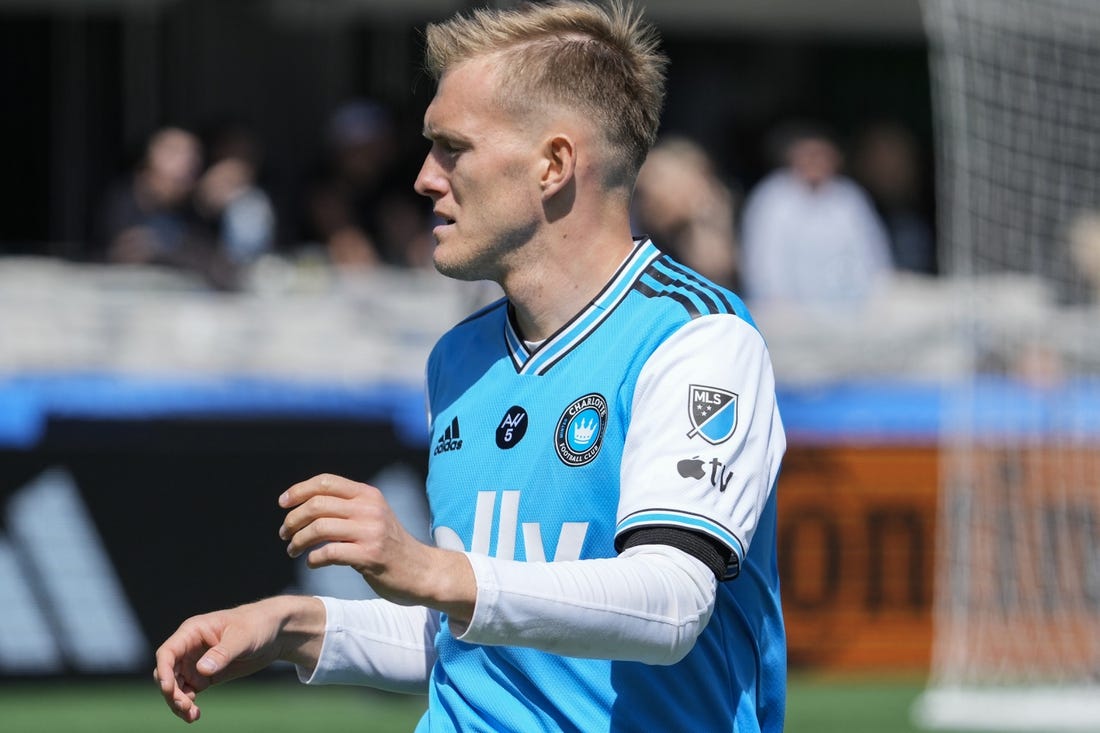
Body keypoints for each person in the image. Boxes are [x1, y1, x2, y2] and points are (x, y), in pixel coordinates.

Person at [154, 2, 787, 732]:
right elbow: (481, 631)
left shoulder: (697, 338)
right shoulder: (459, 357)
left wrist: (429, 570)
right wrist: (292, 624)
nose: (424, 178)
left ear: (553, 164)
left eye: (452, 148)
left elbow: (671, 603)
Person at [740, 121, 893, 309]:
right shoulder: (772, 198)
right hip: (787, 314)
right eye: (809, 155)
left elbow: (871, 253)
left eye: (821, 155)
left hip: (848, 311)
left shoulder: (849, 198)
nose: (815, 162)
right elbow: (763, 260)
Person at [632, 135, 740, 290]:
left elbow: (717, 269)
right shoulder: (641, 230)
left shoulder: (732, 215)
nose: (648, 201)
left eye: (659, 180)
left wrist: (703, 219)